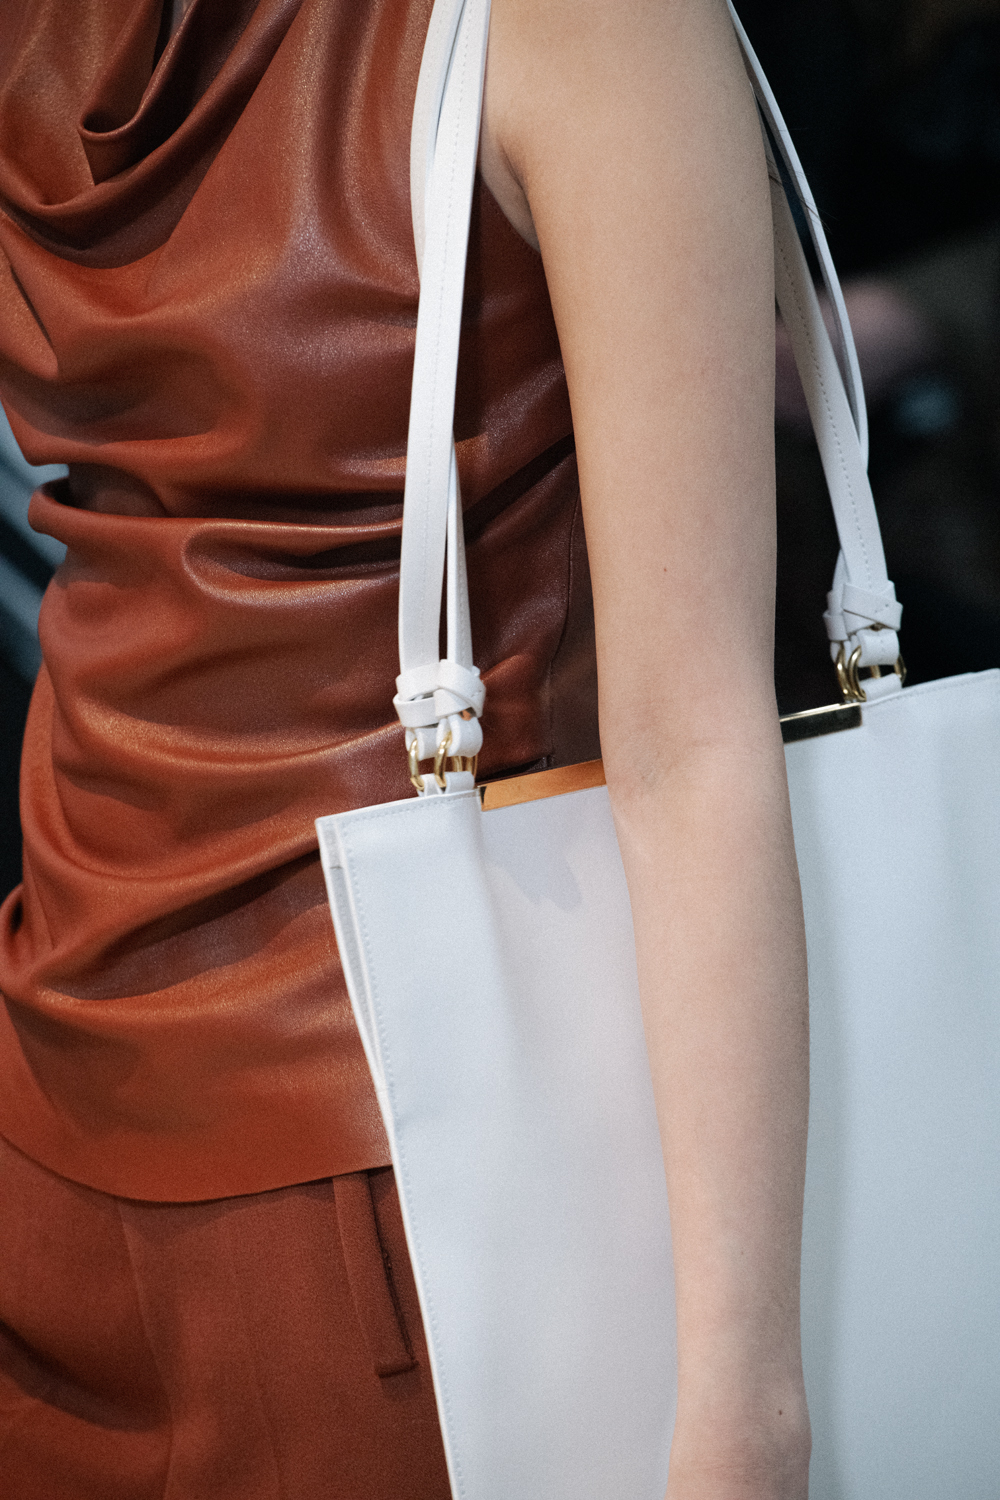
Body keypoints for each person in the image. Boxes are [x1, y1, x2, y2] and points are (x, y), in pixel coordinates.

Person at [0, 1, 810, 1496]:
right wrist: (747, 1405)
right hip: (409, 1182)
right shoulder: (588, 28)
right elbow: (690, 742)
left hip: (65, 1087)